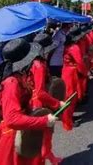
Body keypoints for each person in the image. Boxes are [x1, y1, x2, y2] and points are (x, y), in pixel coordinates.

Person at [0, 38, 59, 165]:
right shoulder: (11, 83)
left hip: (20, 131)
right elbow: (12, 119)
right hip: (12, 137)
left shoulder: (18, 76)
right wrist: (44, 120)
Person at [30, 34, 63, 165]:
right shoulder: (39, 65)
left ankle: (48, 155)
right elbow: (39, 92)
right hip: (39, 103)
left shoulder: (39, 61)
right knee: (42, 134)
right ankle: (43, 158)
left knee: (46, 133)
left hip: (38, 100)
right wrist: (57, 103)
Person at [61, 27, 86, 131]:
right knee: (70, 97)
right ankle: (67, 121)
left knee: (69, 96)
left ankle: (69, 117)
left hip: (66, 70)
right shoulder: (74, 47)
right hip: (71, 72)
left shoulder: (67, 46)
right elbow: (80, 62)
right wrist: (84, 73)